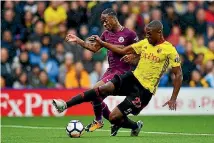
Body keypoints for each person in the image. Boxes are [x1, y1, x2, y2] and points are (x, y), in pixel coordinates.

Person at [53, 20, 183, 136]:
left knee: (113, 117)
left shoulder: (169, 50)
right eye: (146, 33)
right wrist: (103, 43)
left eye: (149, 34)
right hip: (132, 78)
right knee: (102, 88)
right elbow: (122, 51)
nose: (147, 36)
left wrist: (173, 98)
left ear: (159, 32)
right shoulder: (144, 43)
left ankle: (135, 126)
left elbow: (178, 74)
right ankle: (65, 104)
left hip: (144, 90)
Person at [65, 8, 139, 133]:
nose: (104, 24)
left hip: (122, 73)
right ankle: (133, 126)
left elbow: (139, 53)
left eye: (105, 21)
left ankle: (98, 121)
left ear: (113, 18)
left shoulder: (129, 34)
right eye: (102, 22)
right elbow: (94, 48)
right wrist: (79, 40)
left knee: (95, 91)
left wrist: (133, 57)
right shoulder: (106, 34)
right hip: (110, 71)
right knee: (96, 98)